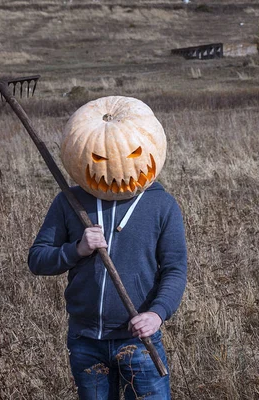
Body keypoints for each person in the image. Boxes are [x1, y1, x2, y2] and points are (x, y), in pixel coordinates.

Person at [27, 96, 187, 400]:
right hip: (86, 342)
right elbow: (37, 259)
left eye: (133, 153)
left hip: (139, 341)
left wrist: (157, 313)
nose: (118, 166)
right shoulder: (68, 203)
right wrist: (76, 249)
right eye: (100, 158)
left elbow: (175, 269)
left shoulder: (162, 205)